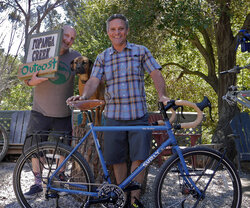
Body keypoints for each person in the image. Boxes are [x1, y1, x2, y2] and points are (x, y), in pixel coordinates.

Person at [67, 14, 169, 208]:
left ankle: (135, 200)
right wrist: (83, 97)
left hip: (138, 115)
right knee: (117, 160)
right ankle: (122, 199)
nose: (117, 32)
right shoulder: (103, 56)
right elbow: (94, 81)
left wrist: (162, 95)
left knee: (140, 159)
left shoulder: (140, 51)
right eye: (113, 29)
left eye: (120, 28)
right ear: (108, 33)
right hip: (113, 117)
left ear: (127, 30)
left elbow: (155, 72)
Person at [23, 25, 81, 199]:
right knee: (35, 148)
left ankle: (56, 181)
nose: (68, 40)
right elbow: (26, 80)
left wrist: (82, 95)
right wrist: (33, 81)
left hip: (63, 113)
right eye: (66, 36)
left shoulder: (76, 57)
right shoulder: (42, 53)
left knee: (62, 150)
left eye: (72, 38)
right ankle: (37, 183)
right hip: (39, 111)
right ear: (58, 34)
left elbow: (84, 80)